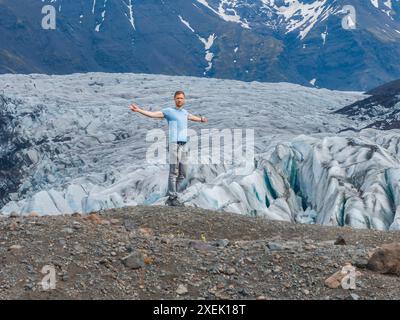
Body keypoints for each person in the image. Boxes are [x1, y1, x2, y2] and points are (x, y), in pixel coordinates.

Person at [129, 91, 208, 206]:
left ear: (184, 100)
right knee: (173, 172)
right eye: (177, 98)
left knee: (183, 174)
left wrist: (201, 119)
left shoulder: (185, 112)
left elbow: (192, 117)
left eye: (181, 98)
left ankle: (171, 194)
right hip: (173, 144)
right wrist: (139, 110)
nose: (179, 100)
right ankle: (172, 197)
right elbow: (152, 114)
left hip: (184, 145)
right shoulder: (169, 111)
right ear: (174, 100)